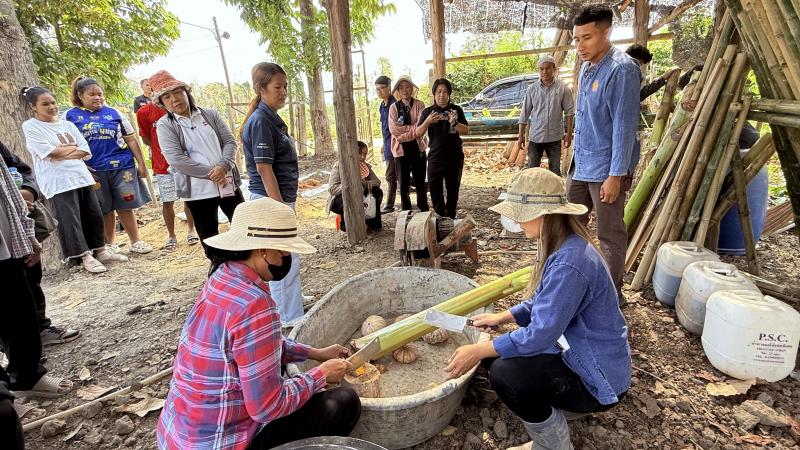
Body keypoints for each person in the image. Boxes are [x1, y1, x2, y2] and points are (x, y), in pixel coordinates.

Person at [445, 168, 631, 450]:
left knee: (504, 374)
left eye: (521, 214)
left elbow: (541, 334)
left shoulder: (570, 263)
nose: (517, 222)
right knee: (497, 356)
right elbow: (544, 305)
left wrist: (479, 349)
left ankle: (552, 445)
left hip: (598, 377)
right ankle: (557, 408)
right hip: (578, 352)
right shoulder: (562, 244)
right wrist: (502, 317)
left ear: (545, 215)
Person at [157, 198, 360, 450]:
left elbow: (259, 345)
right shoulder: (255, 305)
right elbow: (267, 407)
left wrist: (315, 354)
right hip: (224, 442)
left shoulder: (223, 277)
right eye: (285, 252)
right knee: (342, 402)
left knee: (288, 379)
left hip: (180, 435)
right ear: (264, 250)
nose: (288, 258)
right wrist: (321, 375)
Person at [569, 5, 642, 299]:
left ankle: (612, 296)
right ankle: (574, 281)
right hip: (582, 162)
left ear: (606, 32)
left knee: (609, 234)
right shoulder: (587, 67)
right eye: (576, 39)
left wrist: (616, 175)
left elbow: (623, 128)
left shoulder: (622, 69)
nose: (579, 46)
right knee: (569, 223)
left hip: (606, 169)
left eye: (586, 38)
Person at [21, 87, 129, 275]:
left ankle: (101, 250)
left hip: (81, 177)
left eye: (53, 102)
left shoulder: (67, 125)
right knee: (70, 220)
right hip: (58, 181)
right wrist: (69, 150)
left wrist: (61, 151)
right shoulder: (31, 126)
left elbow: (85, 151)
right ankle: (84, 255)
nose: (52, 107)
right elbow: (48, 152)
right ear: (33, 107)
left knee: (93, 214)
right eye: (45, 104)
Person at [150, 71, 243, 268]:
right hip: (197, 192)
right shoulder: (165, 125)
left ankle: (248, 271)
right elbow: (176, 159)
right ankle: (221, 277)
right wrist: (212, 173)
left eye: (177, 92)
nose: (174, 99)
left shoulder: (209, 114)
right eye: (167, 96)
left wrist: (223, 166)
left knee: (243, 227)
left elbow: (229, 141)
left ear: (186, 91)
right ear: (161, 103)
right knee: (210, 239)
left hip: (226, 183)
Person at [0, 156, 73, 401]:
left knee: (21, 309)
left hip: (8, 242)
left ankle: (26, 378)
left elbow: (11, 183)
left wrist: (26, 232)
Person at [241, 62, 308, 325]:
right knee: (280, 261)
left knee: (282, 259)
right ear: (261, 88)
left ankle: (283, 310)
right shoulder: (260, 121)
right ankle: (288, 319)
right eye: (278, 87)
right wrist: (280, 208)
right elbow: (264, 167)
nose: (283, 92)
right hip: (269, 201)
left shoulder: (271, 119)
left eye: (285, 87)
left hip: (276, 200)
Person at [65, 77, 153, 254]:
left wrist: (141, 164)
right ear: (80, 95)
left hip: (122, 166)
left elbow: (131, 139)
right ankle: (109, 245)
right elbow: (68, 145)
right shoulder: (70, 116)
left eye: (100, 94)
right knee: (103, 208)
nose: (97, 97)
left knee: (125, 205)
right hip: (93, 170)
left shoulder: (114, 113)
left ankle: (136, 241)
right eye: (92, 94)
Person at [136, 92, 199, 251]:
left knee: (189, 198)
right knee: (167, 201)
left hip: (186, 162)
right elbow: (146, 139)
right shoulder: (144, 112)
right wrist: (164, 149)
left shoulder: (179, 108)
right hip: (162, 165)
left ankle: (191, 230)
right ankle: (171, 235)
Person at [415, 78, 470, 219]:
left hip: (454, 156)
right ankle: (440, 218)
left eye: (445, 92)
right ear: (434, 94)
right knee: (434, 190)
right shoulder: (428, 111)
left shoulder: (456, 110)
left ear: (449, 94)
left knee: (453, 189)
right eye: (439, 91)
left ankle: (451, 217)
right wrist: (428, 121)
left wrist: (455, 122)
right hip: (435, 157)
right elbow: (418, 132)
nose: (442, 95)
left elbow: (466, 130)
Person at [518, 55, 575, 176]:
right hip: (535, 137)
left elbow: (569, 112)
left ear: (554, 69)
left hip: (554, 137)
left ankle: (555, 194)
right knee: (532, 171)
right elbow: (524, 114)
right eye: (541, 69)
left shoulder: (563, 88)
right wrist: (520, 136)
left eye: (548, 68)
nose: (544, 72)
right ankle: (531, 194)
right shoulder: (532, 89)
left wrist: (569, 134)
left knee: (554, 171)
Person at [388, 76, 429, 212]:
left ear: (412, 88)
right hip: (400, 151)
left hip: (418, 148)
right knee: (403, 184)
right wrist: (414, 130)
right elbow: (394, 129)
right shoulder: (394, 108)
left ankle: (423, 210)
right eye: (401, 88)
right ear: (398, 91)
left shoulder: (420, 105)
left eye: (407, 87)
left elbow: (422, 128)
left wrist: (404, 135)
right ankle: (406, 213)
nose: (405, 90)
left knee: (420, 183)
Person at [327, 140, 383, 232]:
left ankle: (373, 224)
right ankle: (346, 225)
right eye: (360, 153)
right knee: (349, 196)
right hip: (341, 198)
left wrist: (366, 183)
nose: (363, 157)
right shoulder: (338, 166)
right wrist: (351, 185)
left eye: (365, 154)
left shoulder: (366, 167)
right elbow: (332, 188)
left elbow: (377, 182)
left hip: (363, 197)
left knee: (377, 191)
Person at [375, 75, 398, 213]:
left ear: (389, 88)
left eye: (382, 88)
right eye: (377, 89)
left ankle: (390, 204)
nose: (380, 91)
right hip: (388, 144)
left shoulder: (394, 105)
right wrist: (384, 143)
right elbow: (385, 127)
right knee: (393, 175)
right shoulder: (382, 106)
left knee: (391, 175)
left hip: (396, 144)